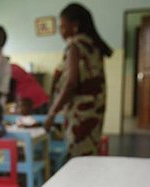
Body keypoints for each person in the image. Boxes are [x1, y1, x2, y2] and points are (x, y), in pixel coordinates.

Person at [44, 3, 112, 157]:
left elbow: (71, 83)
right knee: (89, 153)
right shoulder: (93, 45)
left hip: (80, 114)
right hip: (94, 110)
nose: (60, 32)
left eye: (62, 27)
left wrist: (52, 113)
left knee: (78, 156)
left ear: (75, 25)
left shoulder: (74, 46)